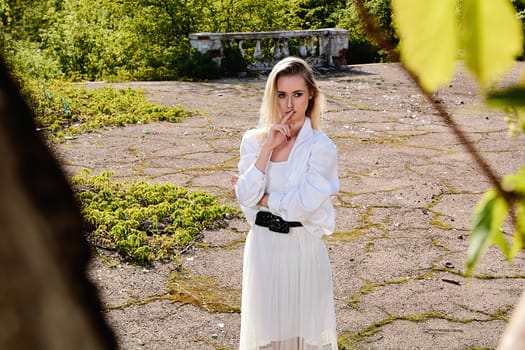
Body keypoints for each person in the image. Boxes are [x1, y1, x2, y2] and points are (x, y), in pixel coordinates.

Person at [232, 56, 339, 350]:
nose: (289, 104)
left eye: (297, 94)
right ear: (273, 96)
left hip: (302, 248)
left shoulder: (321, 147)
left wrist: (263, 198)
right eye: (282, 95)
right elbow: (244, 198)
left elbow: (303, 205)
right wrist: (268, 148)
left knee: (302, 339)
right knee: (268, 338)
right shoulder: (253, 141)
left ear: (311, 96)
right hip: (263, 248)